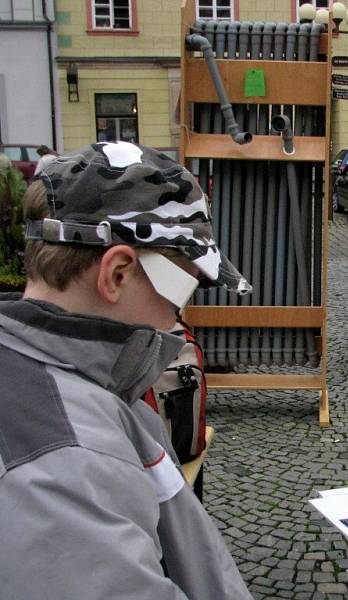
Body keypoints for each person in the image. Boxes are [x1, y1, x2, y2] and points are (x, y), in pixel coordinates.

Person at [0, 141, 254, 599]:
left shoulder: (80, 379)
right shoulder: (68, 460)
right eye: (183, 290)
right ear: (118, 273)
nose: (177, 318)